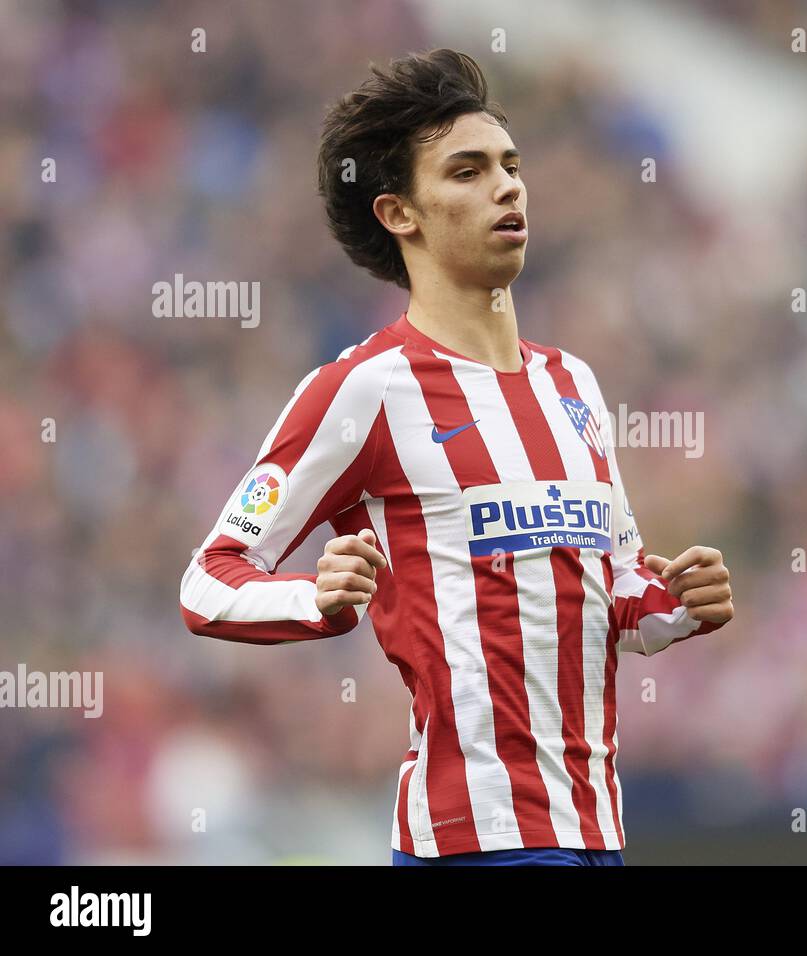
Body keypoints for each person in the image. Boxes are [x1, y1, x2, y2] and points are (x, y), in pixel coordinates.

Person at [178, 49, 733, 866]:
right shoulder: (361, 390)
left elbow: (607, 589)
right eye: (467, 173)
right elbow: (208, 579)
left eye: (511, 166)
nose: (507, 187)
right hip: (474, 844)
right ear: (400, 213)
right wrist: (315, 599)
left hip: (596, 835)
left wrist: (674, 602)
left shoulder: (571, 383)